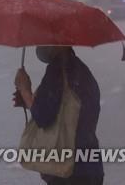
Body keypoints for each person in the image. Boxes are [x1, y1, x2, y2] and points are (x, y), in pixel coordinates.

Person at [13, 46, 104, 185]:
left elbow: (43, 116)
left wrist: (25, 90)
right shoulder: (81, 69)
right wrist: (28, 101)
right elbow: (69, 110)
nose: (39, 45)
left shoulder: (57, 71)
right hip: (90, 166)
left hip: (69, 171)